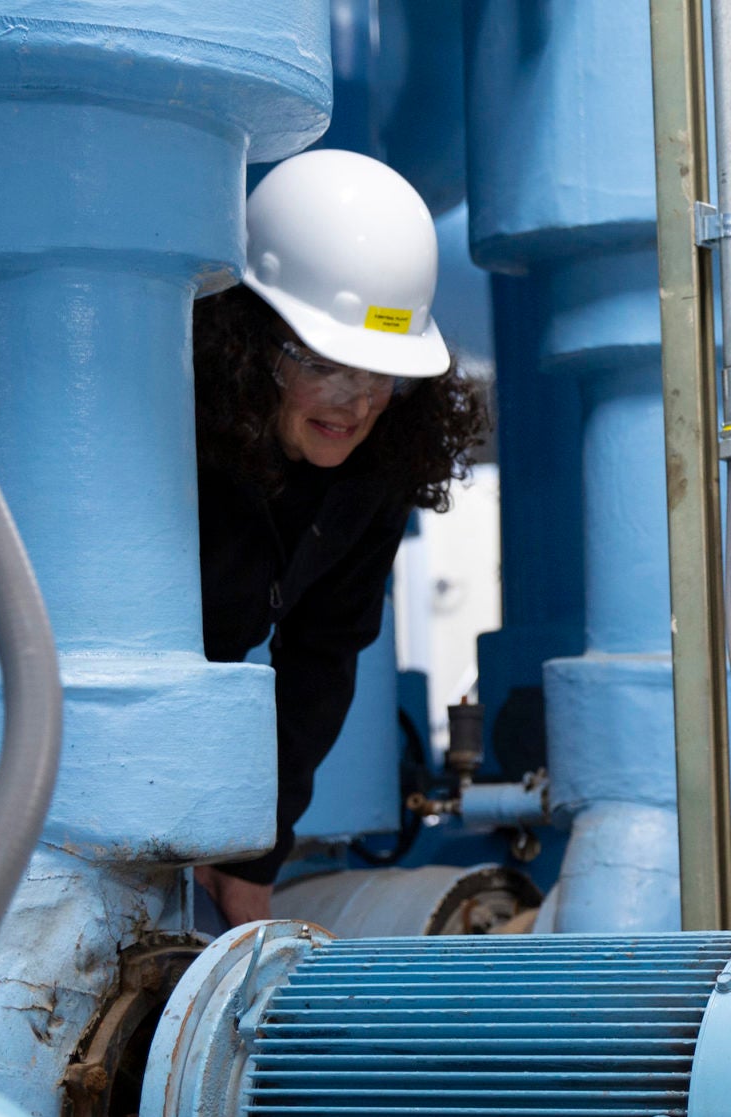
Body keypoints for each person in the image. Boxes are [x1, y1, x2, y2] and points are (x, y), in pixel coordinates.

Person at [188, 150, 486, 928]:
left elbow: (322, 656)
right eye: (325, 366)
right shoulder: (173, 441)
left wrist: (256, 855)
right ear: (250, 346)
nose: (354, 406)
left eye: (380, 374)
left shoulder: (373, 470)